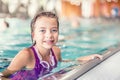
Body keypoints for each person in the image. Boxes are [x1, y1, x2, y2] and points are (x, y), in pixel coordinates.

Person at [0, 11, 102, 80]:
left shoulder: (56, 51)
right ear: (33, 35)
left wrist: (88, 58)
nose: (49, 35)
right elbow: (2, 76)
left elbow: (66, 62)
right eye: (42, 30)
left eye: (54, 30)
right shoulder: (26, 55)